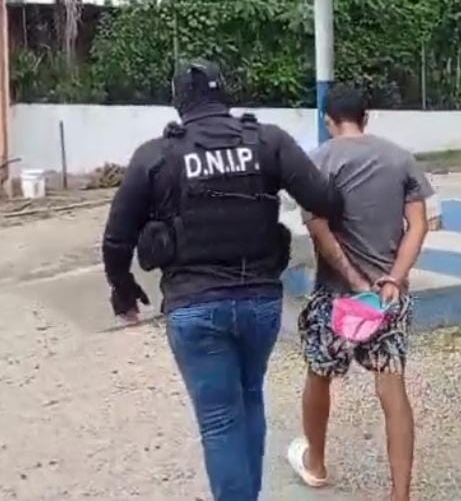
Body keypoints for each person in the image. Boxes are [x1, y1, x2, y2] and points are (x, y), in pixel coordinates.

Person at [101, 59, 345, 501]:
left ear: (178, 101)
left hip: (194, 307)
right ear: (224, 94)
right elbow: (324, 199)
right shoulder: (268, 141)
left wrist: (123, 288)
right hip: (260, 304)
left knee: (220, 421)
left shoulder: (156, 155)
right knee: (249, 400)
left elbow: (117, 238)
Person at [286, 83, 432, 501]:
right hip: (389, 297)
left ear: (328, 120)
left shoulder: (318, 162)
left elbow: (318, 227)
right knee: (392, 387)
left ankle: (316, 464)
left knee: (319, 374)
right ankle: (400, 494)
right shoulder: (400, 158)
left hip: (337, 296)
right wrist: (393, 278)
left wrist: (354, 280)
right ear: (365, 118)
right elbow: (418, 225)